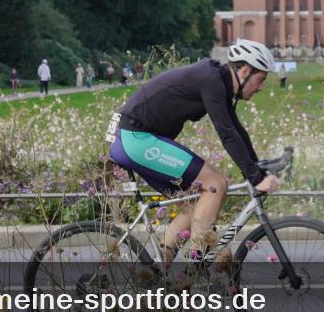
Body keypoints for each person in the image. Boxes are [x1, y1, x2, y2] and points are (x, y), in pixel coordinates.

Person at [108, 38, 281, 264]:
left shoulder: (219, 81)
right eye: (261, 79)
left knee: (192, 210)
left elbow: (236, 128)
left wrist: (257, 167)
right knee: (216, 184)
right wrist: (255, 178)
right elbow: (226, 133)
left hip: (134, 139)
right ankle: (196, 269)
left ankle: (159, 277)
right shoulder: (211, 81)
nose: (261, 87)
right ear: (245, 71)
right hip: (136, 139)